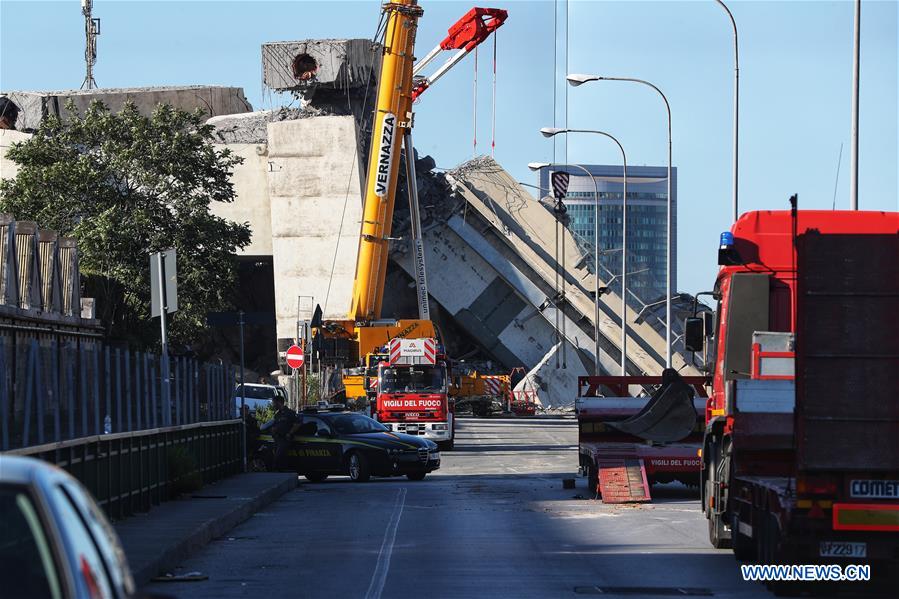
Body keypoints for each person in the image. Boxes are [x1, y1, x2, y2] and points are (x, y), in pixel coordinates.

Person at [260, 395, 298, 471]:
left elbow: (298, 424)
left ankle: (278, 475)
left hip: (284, 439)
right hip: (277, 439)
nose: (273, 405)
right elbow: (274, 424)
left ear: (279, 402)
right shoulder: (277, 414)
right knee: (279, 460)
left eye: (274, 403)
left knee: (278, 458)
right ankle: (282, 474)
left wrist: (290, 433)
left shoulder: (289, 413)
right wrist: (274, 429)